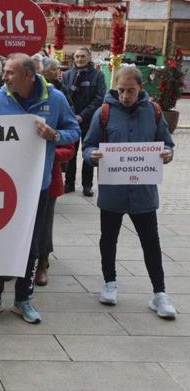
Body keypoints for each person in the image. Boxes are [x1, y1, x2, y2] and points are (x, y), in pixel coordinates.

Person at [0, 53, 80, 324]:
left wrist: (54, 136)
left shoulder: (54, 99)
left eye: (10, 72)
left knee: (31, 244)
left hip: (36, 186)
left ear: (28, 75)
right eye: (5, 72)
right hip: (0, 187)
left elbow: (74, 130)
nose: (4, 77)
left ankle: (23, 300)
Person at [83, 65, 177, 319]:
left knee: (151, 242)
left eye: (131, 91)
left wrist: (167, 154)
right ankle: (109, 283)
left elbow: (167, 142)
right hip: (113, 191)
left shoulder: (154, 112)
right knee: (108, 239)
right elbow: (89, 144)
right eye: (121, 90)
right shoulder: (104, 113)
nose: (125, 95)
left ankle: (160, 294)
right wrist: (91, 156)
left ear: (141, 88)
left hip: (143, 193)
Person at [62, 47, 106, 196]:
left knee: (88, 152)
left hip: (90, 121)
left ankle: (87, 185)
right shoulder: (67, 75)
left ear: (89, 58)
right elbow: (63, 97)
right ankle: (69, 183)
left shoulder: (98, 76)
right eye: (77, 57)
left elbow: (99, 98)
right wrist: (71, 115)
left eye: (83, 56)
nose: (80, 59)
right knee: (70, 154)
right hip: (71, 120)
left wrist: (82, 115)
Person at [35, 139, 75, 287]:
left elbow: (69, 149)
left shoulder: (56, 116)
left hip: (48, 179)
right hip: (18, 179)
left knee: (45, 223)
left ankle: (42, 263)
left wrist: (49, 153)